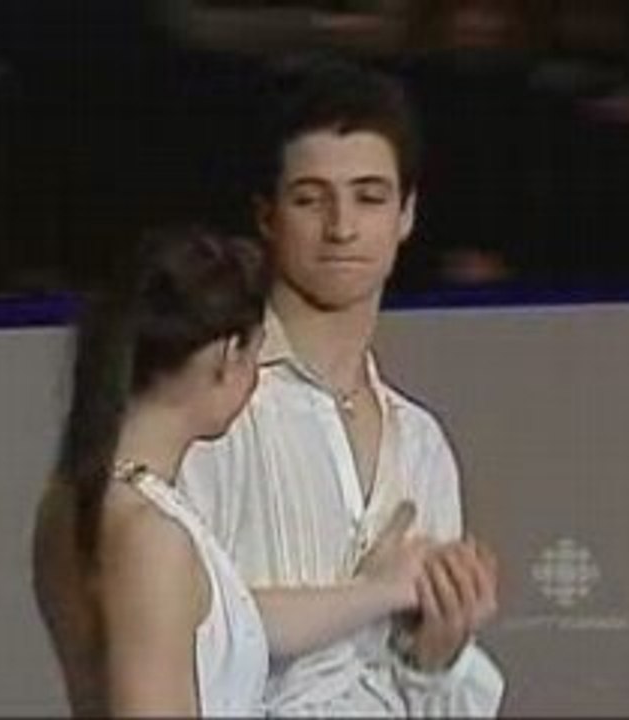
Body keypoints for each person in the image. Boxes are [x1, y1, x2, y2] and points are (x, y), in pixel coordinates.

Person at [178, 55, 506, 715]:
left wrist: (436, 651)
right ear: (267, 215)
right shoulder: (210, 407)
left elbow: (417, 684)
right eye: (310, 198)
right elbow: (176, 631)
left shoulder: (420, 444)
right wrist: (373, 593)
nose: (342, 228)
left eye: (369, 197)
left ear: (406, 214)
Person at [32, 227, 436, 717]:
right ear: (228, 357)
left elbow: (231, 620)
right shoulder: (149, 533)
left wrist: (381, 591)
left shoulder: (74, 499)